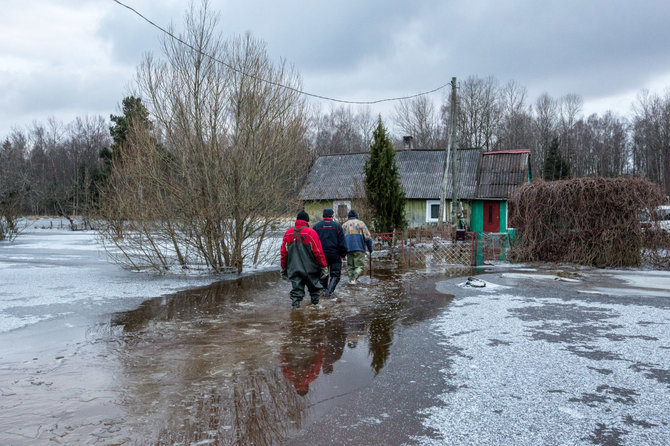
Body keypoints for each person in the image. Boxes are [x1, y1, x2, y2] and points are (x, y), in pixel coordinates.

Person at [280, 210, 329, 308]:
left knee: (296, 293)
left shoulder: (288, 233)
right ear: (307, 221)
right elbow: (318, 252)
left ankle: (295, 312)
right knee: (315, 291)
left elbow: (283, 253)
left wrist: (283, 268)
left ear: (297, 220)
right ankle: (315, 312)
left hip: (294, 269)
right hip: (311, 269)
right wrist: (324, 266)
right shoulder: (311, 233)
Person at [312, 208, 347, 297]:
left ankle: (323, 291)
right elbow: (342, 243)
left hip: (321, 255)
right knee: (335, 275)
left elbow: (312, 242)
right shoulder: (337, 226)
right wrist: (343, 254)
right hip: (335, 255)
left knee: (323, 274)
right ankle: (329, 293)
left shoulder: (316, 227)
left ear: (323, 215)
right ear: (332, 215)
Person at [341, 209, 373, 283]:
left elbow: (341, 238)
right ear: (356, 215)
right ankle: (355, 278)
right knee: (360, 266)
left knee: (350, 267)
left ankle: (351, 282)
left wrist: (342, 250)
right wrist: (370, 248)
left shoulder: (344, 225)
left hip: (348, 249)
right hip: (359, 248)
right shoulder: (361, 223)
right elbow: (368, 237)